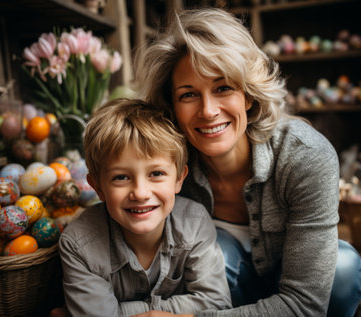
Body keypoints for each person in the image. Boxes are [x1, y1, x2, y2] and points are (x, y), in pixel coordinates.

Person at [132, 8, 361, 317]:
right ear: (171, 106)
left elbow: (304, 304)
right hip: (226, 292)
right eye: (188, 95)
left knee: (342, 270)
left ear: (249, 95)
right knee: (209, 256)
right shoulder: (167, 166)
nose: (208, 111)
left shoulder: (306, 155)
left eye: (223, 87)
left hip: (305, 293)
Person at [57, 98, 232, 316]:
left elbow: (216, 306)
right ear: (98, 187)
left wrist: (137, 312)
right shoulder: (79, 244)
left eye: (156, 174)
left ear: (179, 179)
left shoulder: (194, 222)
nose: (140, 193)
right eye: (121, 177)